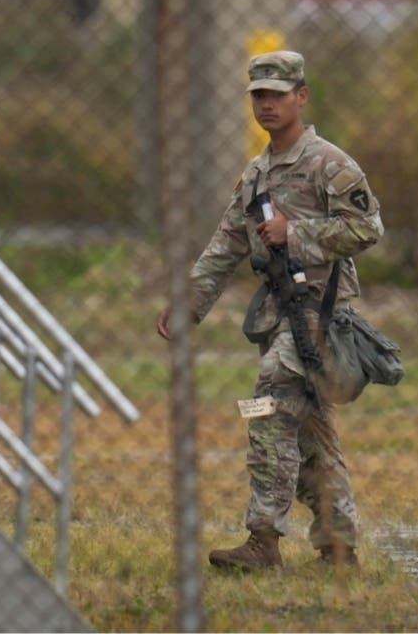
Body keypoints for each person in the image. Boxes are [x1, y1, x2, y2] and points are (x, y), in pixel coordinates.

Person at [157, 49, 383, 571]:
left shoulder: (329, 163)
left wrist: (296, 232)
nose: (266, 105)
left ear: (300, 97)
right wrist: (188, 303)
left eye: (277, 95)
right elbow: (225, 244)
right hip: (277, 315)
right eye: (258, 95)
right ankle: (339, 545)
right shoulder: (256, 174)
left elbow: (369, 229)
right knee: (311, 435)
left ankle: (263, 540)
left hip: (320, 316)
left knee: (267, 407)